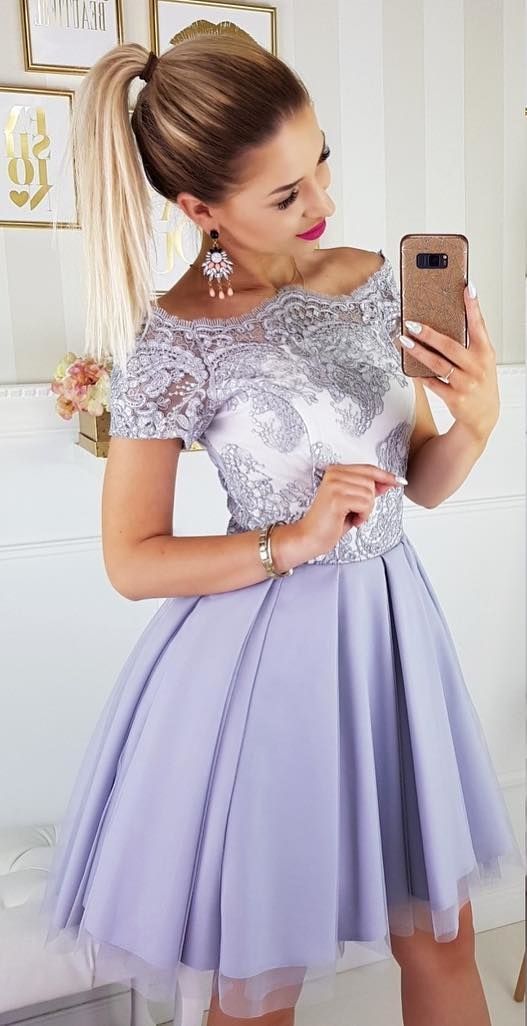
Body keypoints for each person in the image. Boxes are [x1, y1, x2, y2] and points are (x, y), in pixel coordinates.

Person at [38, 24, 525, 1026]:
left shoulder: (370, 281)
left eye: (321, 164)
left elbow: (420, 486)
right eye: (286, 194)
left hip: (393, 642)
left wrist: (476, 417)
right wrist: (292, 541)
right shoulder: (172, 339)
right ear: (198, 209)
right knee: (262, 980)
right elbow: (131, 560)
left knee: (441, 938)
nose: (323, 205)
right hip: (268, 670)